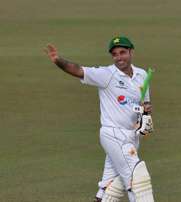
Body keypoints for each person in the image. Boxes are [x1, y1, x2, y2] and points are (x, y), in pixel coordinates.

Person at [44, 36, 155, 202]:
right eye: (115, 54)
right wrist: (57, 60)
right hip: (114, 135)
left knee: (109, 189)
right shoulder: (106, 74)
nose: (119, 57)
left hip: (132, 137)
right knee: (137, 179)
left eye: (122, 52)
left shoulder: (142, 75)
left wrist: (146, 114)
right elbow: (78, 70)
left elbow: (144, 103)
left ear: (131, 52)